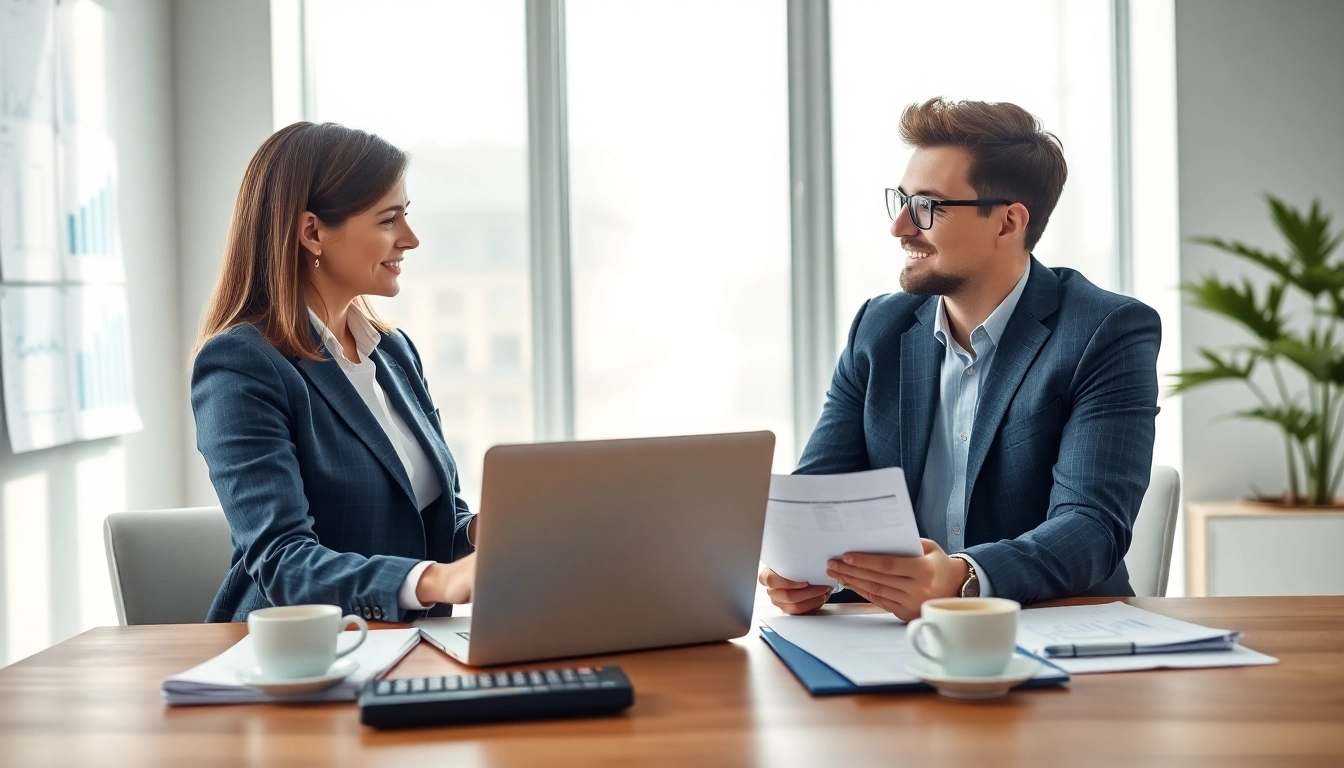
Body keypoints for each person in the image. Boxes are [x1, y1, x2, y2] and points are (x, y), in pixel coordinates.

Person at [760, 98, 1160, 621]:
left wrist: (966, 576)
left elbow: (1091, 526)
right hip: (883, 638)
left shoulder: (1105, 331)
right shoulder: (878, 329)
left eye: (926, 206)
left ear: (1008, 223)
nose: (900, 227)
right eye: (900, 201)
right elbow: (819, 497)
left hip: (1048, 630)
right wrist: (798, 570)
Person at [193, 122, 476, 623]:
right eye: (389, 220)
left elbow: (428, 520)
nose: (410, 239)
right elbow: (283, 563)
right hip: (300, 659)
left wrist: (488, 534)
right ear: (312, 232)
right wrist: (440, 580)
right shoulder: (241, 366)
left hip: (411, 645)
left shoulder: (393, 353)